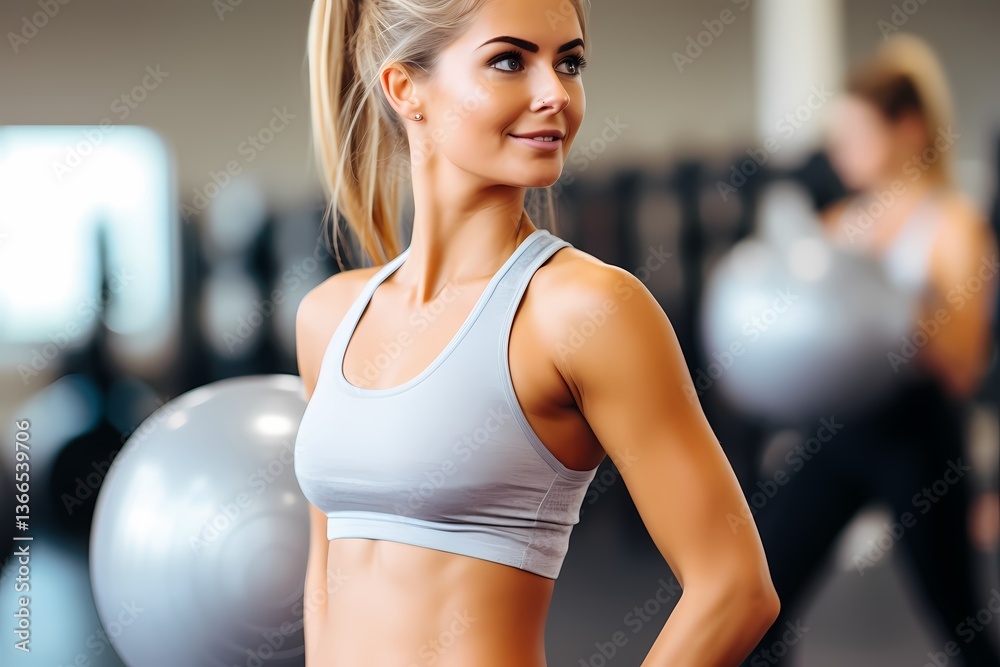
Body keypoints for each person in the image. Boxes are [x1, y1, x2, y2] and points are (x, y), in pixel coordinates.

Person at [292, 0, 779, 664]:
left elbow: (735, 587)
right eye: (508, 61)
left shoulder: (584, 311)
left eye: (569, 63)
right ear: (406, 90)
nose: (556, 94)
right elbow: (325, 579)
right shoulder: (329, 317)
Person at [742, 34, 1000, 666]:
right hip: (839, 428)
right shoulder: (838, 225)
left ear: (907, 130)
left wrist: (889, 311)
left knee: (964, 631)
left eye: (856, 135)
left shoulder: (953, 226)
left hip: (918, 439)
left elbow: (964, 365)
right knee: (757, 603)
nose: (841, 151)